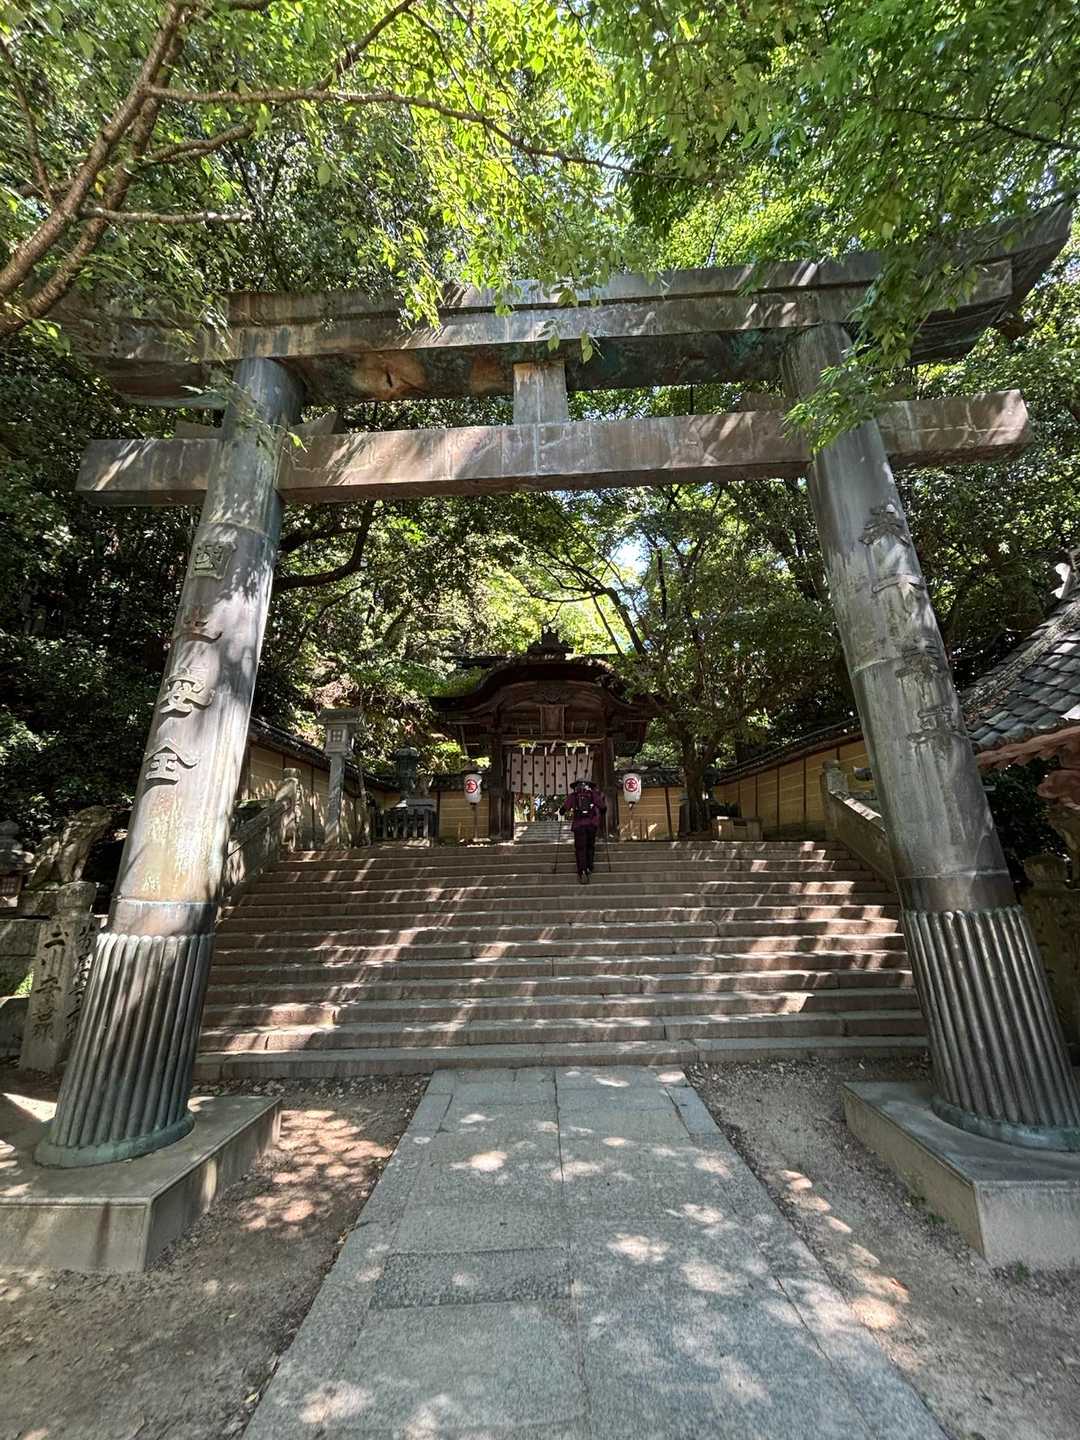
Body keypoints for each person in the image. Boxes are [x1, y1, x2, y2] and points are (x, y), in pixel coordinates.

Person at [562, 778, 606, 883]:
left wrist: (562, 811)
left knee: (580, 848)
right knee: (590, 846)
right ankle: (589, 867)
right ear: (589, 785)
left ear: (576, 786)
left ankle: (582, 871)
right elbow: (603, 807)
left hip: (578, 826)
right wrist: (601, 812)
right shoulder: (593, 794)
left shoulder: (573, 796)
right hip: (591, 825)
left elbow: (564, 809)